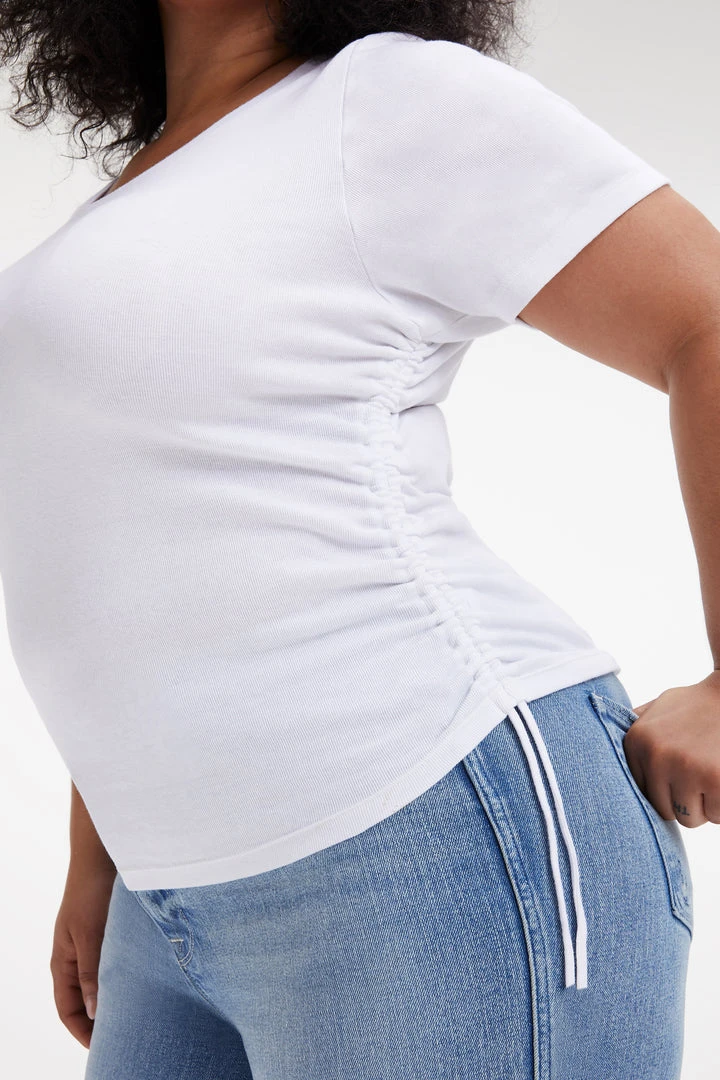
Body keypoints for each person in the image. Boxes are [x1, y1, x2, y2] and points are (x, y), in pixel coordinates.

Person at [1, 0, 718, 1076]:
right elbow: (128, 521)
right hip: (167, 899)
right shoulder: (155, 178)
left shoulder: (386, 96)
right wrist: (98, 851)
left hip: (430, 842)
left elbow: (706, 314)